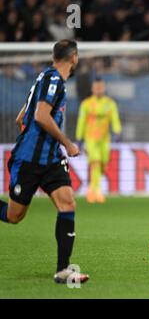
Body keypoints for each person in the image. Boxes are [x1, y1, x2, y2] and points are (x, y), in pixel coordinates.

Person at [0, 40, 89, 283]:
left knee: (67, 204)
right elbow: (40, 115)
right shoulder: (54, 81)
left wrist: (43, 142)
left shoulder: (44, 76)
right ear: (74, 58)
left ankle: (63, 270)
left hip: (49, 160)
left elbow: (22, 116)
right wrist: (67, 143)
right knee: (14, 216)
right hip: (30, 160)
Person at [76, 77, 122, 203]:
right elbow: (81, 121)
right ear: (92, 89)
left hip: (104, 139)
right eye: (96, 87)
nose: (99, 89)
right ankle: (96, 191)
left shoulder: (110, 103)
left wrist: (117, 132)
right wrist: (79, 138)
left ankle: (92, 189)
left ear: (104, 88)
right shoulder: (86, 104)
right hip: (90, 138)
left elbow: (115, 118)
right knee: (95, 161)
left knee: (103, 165)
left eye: (100, 87)